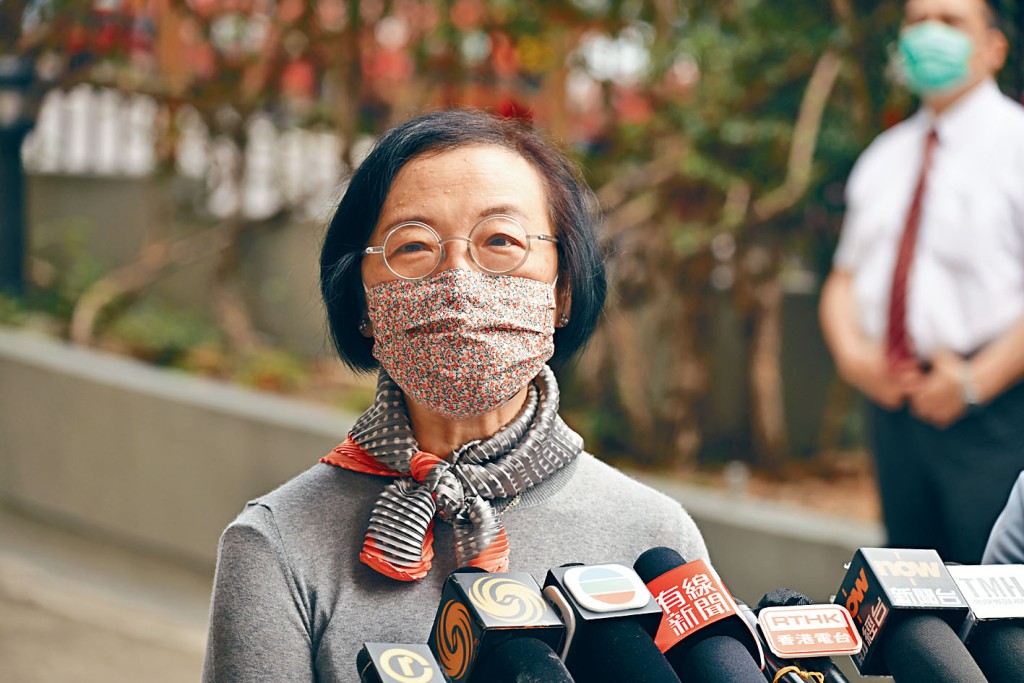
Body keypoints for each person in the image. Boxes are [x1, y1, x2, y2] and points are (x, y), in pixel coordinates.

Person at [202, 109, 708, 681]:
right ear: (362, 302)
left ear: (564, 288)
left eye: (501, 240)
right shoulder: (276, 546)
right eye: (414, 246)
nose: (459, 282)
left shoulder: (654, 537)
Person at [820, 0, 1024, 565]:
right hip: (894, 408)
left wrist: (976, 382)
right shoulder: (884, 155)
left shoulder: (1017, 146)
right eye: (917, 21)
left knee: (992, 593)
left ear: (994, 49)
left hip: (993, 412)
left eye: (951, 21)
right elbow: (843, 278)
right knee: (910, 583)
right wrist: (856, 359)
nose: (929, 33)